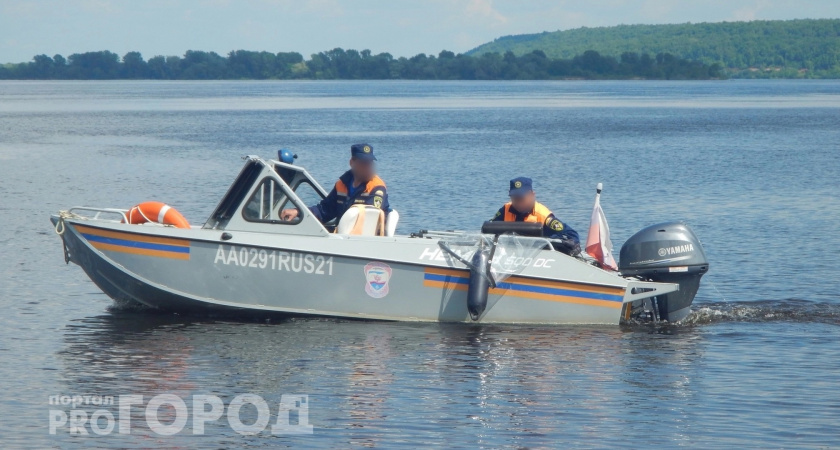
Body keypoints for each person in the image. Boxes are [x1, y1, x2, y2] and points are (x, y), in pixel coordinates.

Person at [281, 143, 390, 224]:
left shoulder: (376, 187)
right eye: (363, 163)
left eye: (369, 163)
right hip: (344, 238)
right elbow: (325, 210)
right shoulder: (342, 184)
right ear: (352, 163)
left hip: (364, 241)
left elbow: (370, 219)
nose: (367, 167)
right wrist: (298, 211)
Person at [490, 177, 581, 256]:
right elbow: (489, 229)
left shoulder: (544, 216)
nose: (518, 202)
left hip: (538, 256)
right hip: (511, 255)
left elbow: (571, 234)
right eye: (515, 198)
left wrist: (572, 243)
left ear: (532, 195)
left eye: (521, 198)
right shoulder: (505, 210)